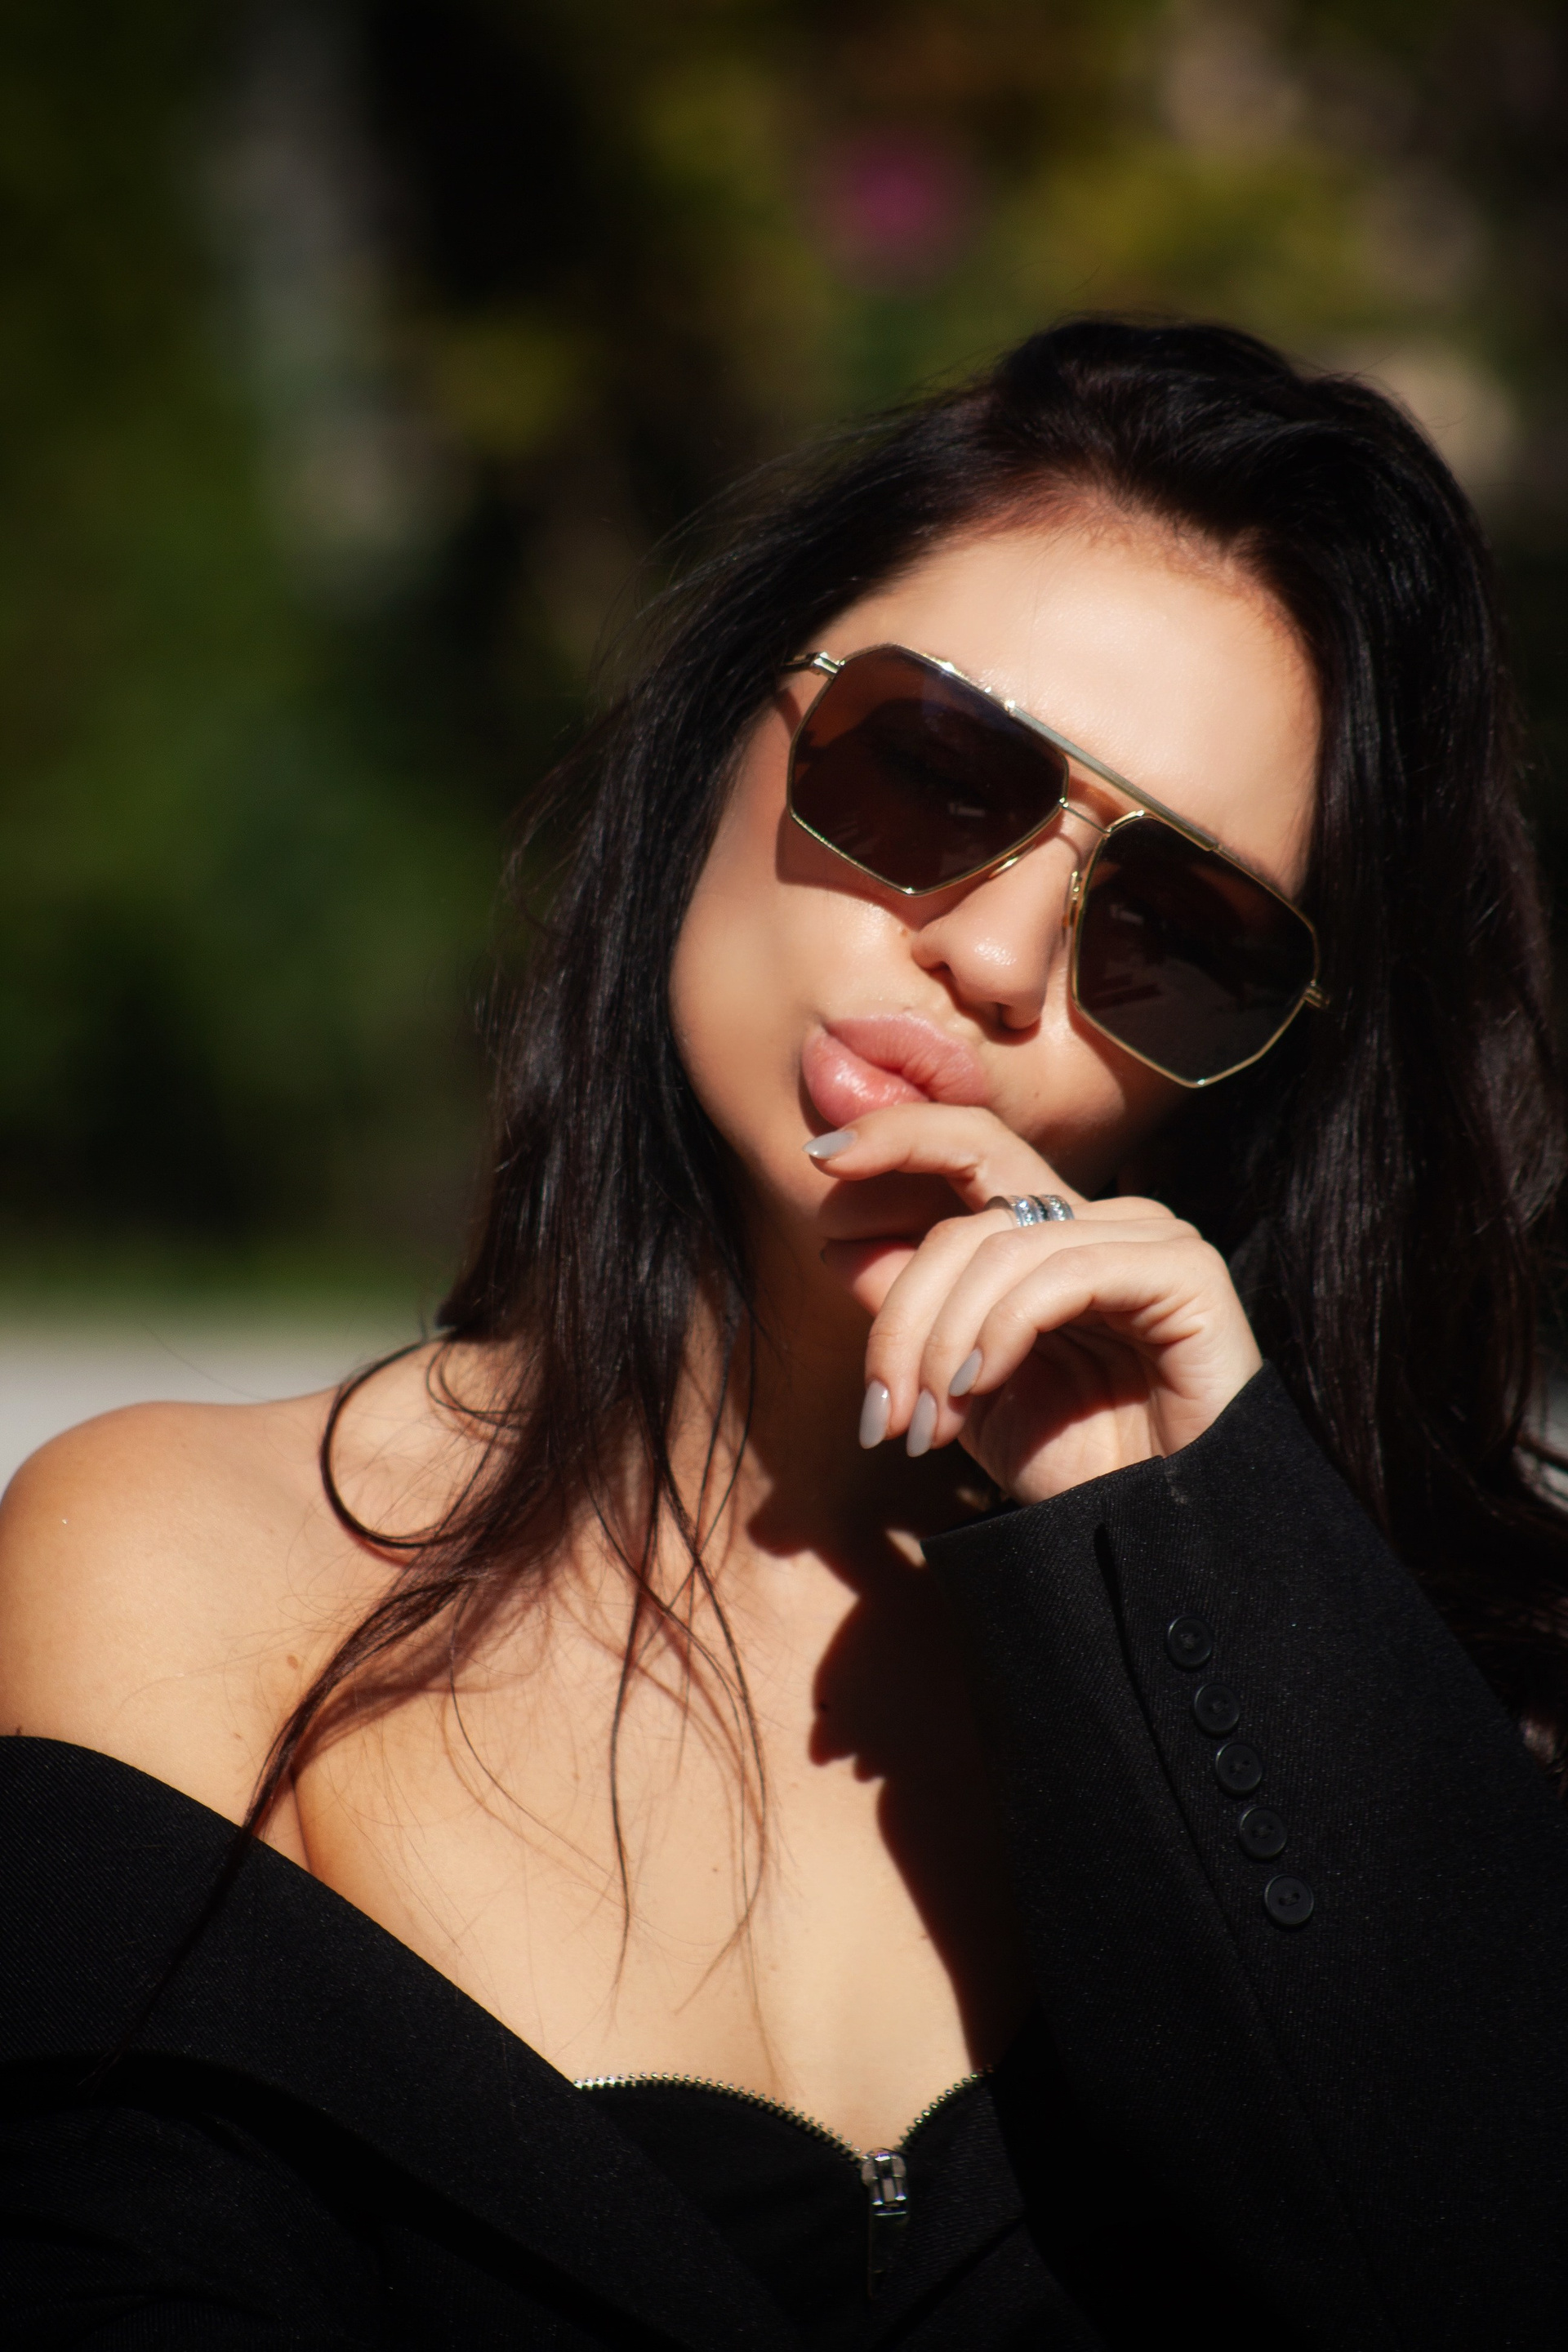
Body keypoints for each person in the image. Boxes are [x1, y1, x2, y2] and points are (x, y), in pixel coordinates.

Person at [3, 316, 1568, 2350]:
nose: (996, 954)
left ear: (1251, 1077)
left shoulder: (1413, 1698)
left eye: (1179, 935)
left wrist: (1184, 1544)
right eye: (935, 771)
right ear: (725, 736)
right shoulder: (180, 1568)